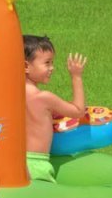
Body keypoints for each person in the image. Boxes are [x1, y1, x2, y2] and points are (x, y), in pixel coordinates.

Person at [23, 34, 87, 183]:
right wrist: (76, 76)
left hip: (18, 162)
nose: (52, 68)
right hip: (37, 164)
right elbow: (78, 111)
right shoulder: (44, 98)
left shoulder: (12, 94)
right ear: (26, 66)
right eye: (47, 63)